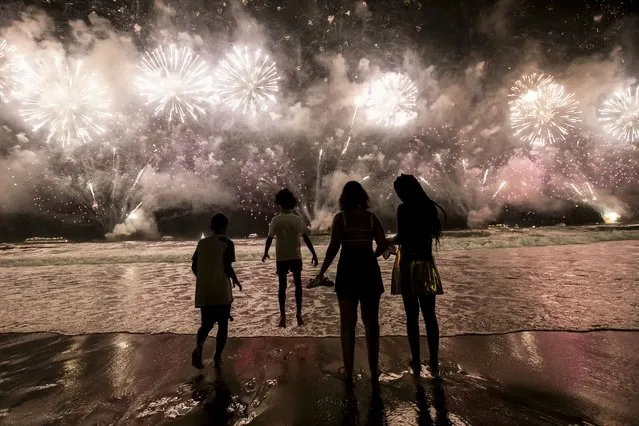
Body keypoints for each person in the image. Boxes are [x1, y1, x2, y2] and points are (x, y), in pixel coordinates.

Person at [316, 181, 388, 388]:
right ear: (363, 198)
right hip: (369, 270)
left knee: (347, 324)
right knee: (371, 323)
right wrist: (371, 255)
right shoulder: (372, 218)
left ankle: (348, 372)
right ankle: (374, 371)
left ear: (344, 198)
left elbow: (333, 248)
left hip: (348, 270)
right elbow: (382, 244)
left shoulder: (342, 219)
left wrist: (322, 271)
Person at [390, 174, 445, 377]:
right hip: (426, 263)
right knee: (430, 315)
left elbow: (402, 237)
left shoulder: (403, 209)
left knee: (412, 316)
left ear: (405, 191)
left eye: (399, 192)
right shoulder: (429, 208)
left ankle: (416, 358)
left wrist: (387, 240)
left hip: (408, 265)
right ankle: (434, 361)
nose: (398, 196)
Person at [191, 213, 242, 369]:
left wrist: (204, 279)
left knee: (206, 323)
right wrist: (235, 279)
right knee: (223, 324)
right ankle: (217, 357)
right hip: (220, 289)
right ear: (225, 226)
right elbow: (227, 266)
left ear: (211, 226)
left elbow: (194, 266)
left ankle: (199, 346)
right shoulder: (227, 243)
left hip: (204, 289)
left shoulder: (202, 243)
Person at [262, 189, 318, 328]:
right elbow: (306, 238)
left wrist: (265, 252)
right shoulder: (297, 219)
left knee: (282, 287)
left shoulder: (276, 220)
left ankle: (283, 316)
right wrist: (314, 254)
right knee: (298, 286)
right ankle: (299, 314)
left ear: (279, 203)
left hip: (282, 257)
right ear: (292, 203)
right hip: (295, 256)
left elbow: (269, 239)